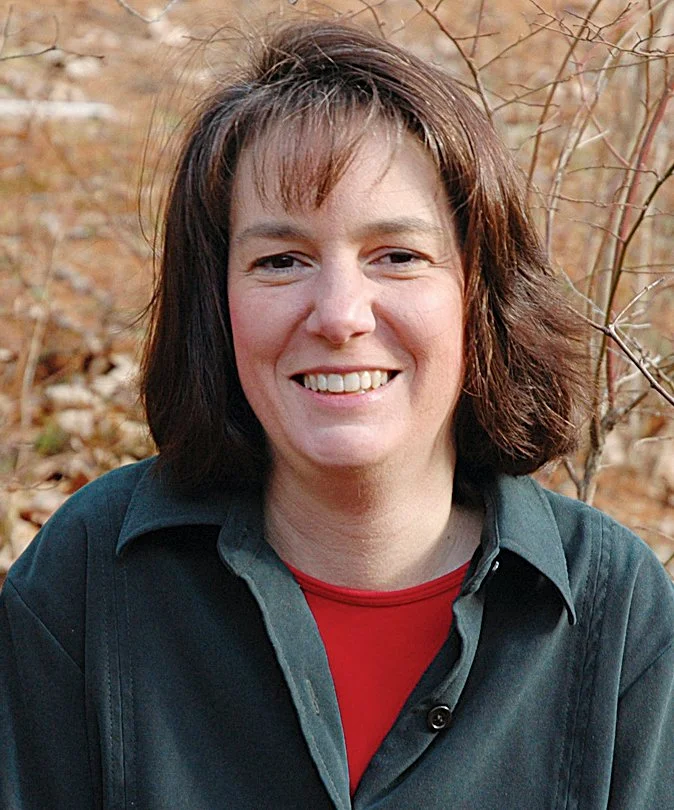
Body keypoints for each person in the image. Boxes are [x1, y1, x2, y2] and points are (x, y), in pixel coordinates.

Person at [1, 19, 673, 810]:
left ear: (478, 293)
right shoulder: (87, 579)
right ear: (215, 303)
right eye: (281, 260)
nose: (340, 314)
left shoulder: (615, 610)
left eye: (398, 256)